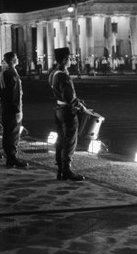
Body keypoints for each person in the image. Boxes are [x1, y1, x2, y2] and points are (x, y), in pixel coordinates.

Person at [49, 47, 87, 181]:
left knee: (61, 139)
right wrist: (80, 105)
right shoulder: (63, 75)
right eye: (69, 58)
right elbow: (69, 96)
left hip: (59, 109)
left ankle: (60, 168)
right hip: (67, 111)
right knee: (70, 141)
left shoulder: (54, 73)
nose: (71, 60)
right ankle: (66, 170)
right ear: (64, 59)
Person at [0, 52, 29, 168]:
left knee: (8, 133)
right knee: (13, 133)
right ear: (12, 60)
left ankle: (10, 157)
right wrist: (17, 110)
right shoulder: (11, 73)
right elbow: (14, 94)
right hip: (12, 109)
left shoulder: (4, 72)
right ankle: (12, 158)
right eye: (16, 58)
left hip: (7, 107)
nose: (18, 59)